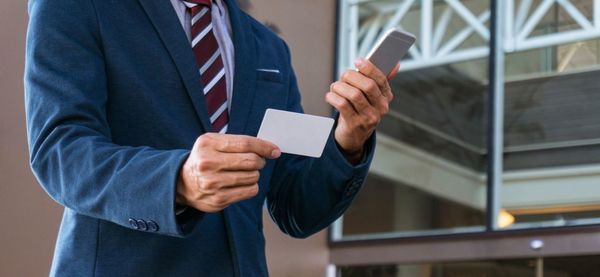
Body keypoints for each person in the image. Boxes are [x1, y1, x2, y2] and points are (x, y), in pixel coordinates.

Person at [24, 0, 398, 275]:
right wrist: (178, 180)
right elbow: (61, 151)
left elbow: (295, 208)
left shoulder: (269, 48)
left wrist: (349, 138)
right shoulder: (78, 6)